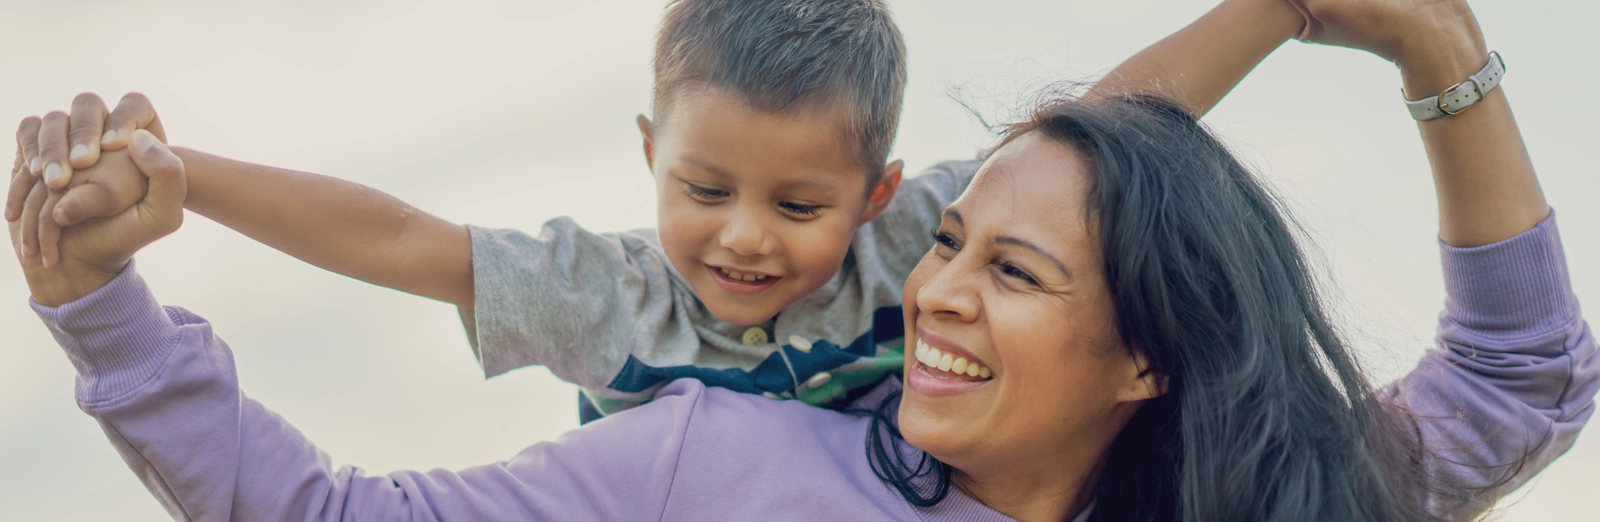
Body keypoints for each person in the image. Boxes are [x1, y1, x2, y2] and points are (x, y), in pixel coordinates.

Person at [11, 0, 1596, 521]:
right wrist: (108, 291)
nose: (938, 286)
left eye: (1015, 271)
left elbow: (1521, 383)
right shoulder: (718, 453)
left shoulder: (1245, 482)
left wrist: (1431, 51)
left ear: (1151, 357)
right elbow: (328, 504)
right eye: (955, 249)